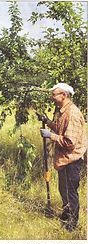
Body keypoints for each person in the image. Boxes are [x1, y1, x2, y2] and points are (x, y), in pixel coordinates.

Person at [39, 83, 86, 232]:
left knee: (70, 193)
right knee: (64, 190)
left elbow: (69, 141)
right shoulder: (63, 111)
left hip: (71, 160)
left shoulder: (72, 113)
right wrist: (48, 122)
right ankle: (66, 217)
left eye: (54, 95)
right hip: (64, 159)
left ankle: (71, 226)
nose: (52, 98)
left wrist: (50, 136)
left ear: (63, 95)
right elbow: (61, 129)